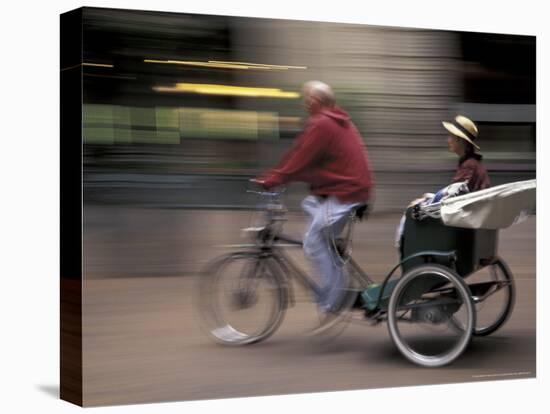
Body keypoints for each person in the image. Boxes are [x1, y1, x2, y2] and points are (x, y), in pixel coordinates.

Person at [254, 80, 374, 330]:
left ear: (317, 101)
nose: (303, 103)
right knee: (310, 207)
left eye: (306, 98)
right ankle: (336, 279)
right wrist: (280, 175)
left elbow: (300, 158)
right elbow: (304, 158)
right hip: (347, 190)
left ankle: (333, 300)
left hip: (346, 193)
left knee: (312, 239)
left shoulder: (322, 123)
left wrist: (273, 179)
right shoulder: (336, 120)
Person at [395, 115, 490, 249]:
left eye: (451, 136)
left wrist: (423, 204)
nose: (448, 140)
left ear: (459, 140)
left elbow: (452, 198)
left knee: (410, 215)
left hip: (460, 223)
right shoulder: (473, 164)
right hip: (469, 217)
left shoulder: (469, 166)